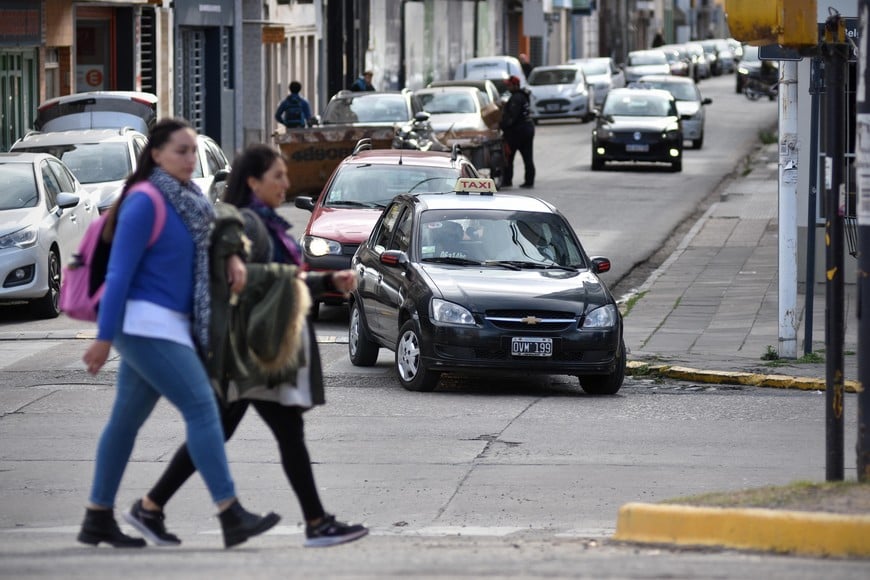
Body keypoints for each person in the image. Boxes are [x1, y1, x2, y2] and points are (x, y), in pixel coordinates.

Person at [124, 143, 369, 549]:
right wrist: (235, 257)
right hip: (251, 351)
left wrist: (325, 283)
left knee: (220, 430)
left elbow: (278, 280)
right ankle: (316, 522)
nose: (286, 183)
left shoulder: (269, 223)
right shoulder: (246, 221)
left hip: (254, 349)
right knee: (286, 432)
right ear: (253, 181)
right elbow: (226, 234)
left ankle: (152, 506)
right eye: (278, 176)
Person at [77, 118, 280, 549]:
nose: (190, 159)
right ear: (155, 154)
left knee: (124, 423)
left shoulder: (190, 200)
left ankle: (97, 515)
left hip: (169, 324)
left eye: (193, 150)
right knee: (204, 410)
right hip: (145, 325)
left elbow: (215, 233)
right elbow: (118, 274)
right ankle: (230, 512)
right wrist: (104, 336)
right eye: (180, 151)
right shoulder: (145, 201)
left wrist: (229, 257)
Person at [499, 75, 535, 189]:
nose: (508, 87)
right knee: (527, 157)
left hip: (518, 133)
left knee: (509, 157)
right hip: (526, 130)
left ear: (515, 85)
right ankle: (529, 181)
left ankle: (507, 180)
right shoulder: (522, 96)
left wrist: (502, 125)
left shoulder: (516, 98)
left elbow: (512, 118)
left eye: (509, 85)